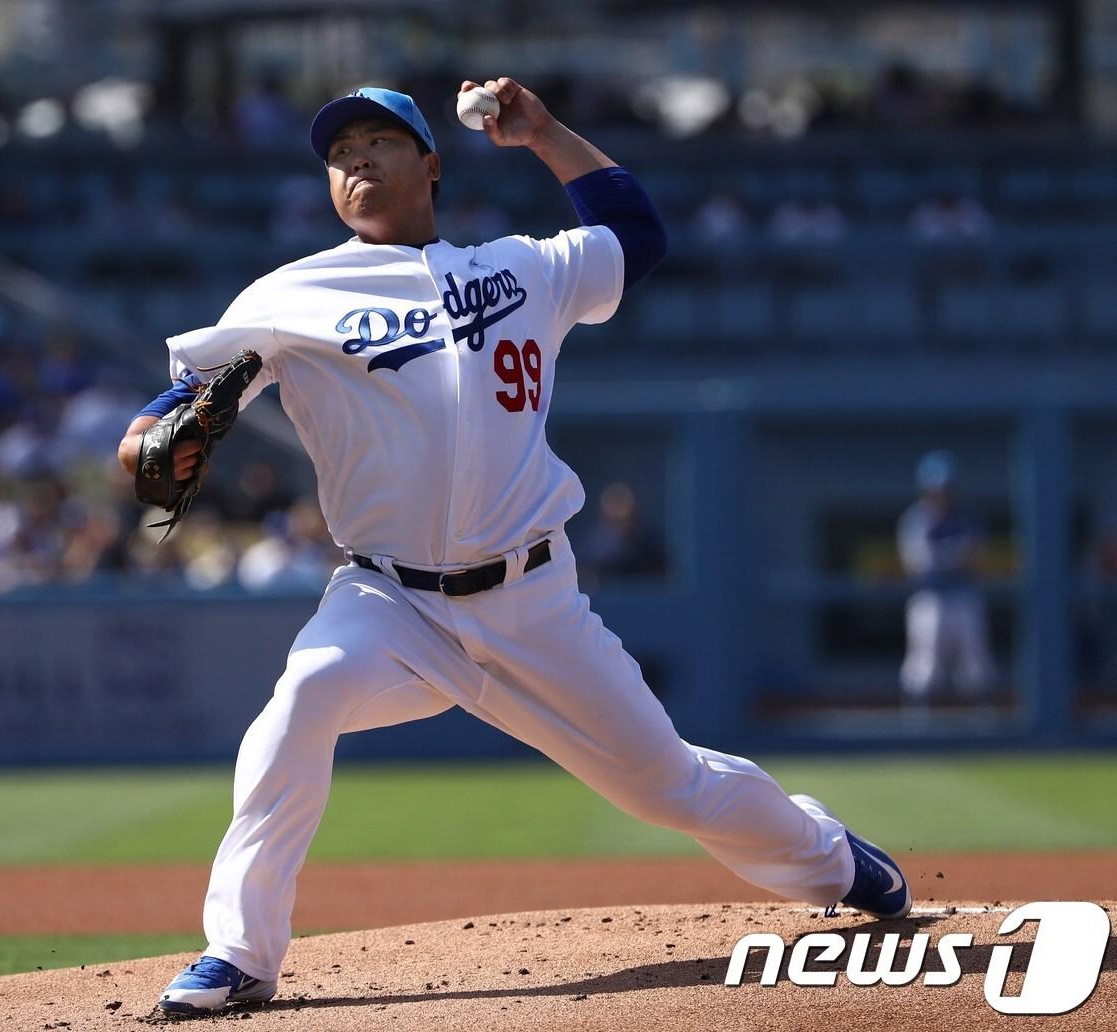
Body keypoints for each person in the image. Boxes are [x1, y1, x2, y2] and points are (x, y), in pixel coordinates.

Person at [117, 79, 912, 1017]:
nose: (356, 159)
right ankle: (241, 953)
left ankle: (834, 861)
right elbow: (174, 411)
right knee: (302, 702)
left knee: (670, 788)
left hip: (531, 601)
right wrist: (144, 442)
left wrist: (545, 134)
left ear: (431, 164)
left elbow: (638, 234)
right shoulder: (291, 295)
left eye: (378, 141)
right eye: (338, 152)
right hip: (389, 602)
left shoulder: (523, 267)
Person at [898, 450, 997, 702]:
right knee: (925, 666)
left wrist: (952, 559)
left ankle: (978, 717)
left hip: (963, 595)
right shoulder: (915, 519)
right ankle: (919, 718)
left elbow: (976, 558)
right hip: (929, 597)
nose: (941, 494)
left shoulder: (966, 517)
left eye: (945, 489)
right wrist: (955, 558)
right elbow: (917, 564)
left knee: (975, 665)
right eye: (935, 489)